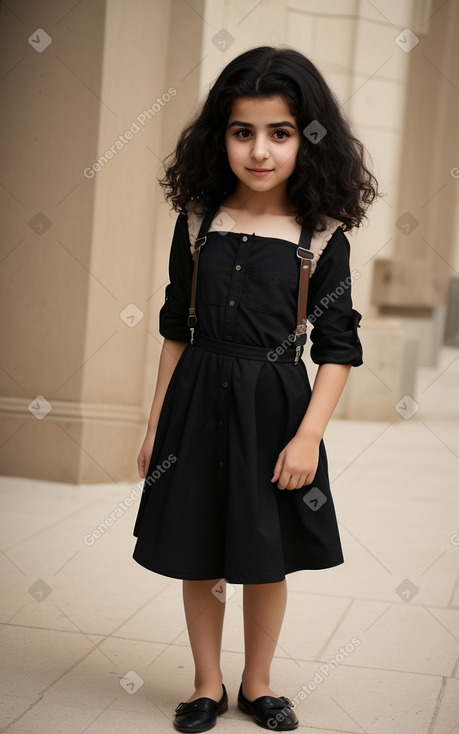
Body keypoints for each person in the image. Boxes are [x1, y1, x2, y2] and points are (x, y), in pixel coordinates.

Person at [132, 46, 378, 732]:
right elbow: (174, 329)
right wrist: (155, 426)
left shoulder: (321, 235)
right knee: (199, 546)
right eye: (243, 132)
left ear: (308, 139)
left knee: (264, 555)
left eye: (280, 133)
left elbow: (337, 348)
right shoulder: (196, 224)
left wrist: (307, 437)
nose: (260, 151)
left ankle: (258, 684)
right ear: (222, 137)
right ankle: (206, 684)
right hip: (196, 400)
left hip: (275, 413)